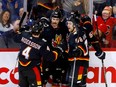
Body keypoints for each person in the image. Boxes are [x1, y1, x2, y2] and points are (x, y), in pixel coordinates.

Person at [12, 20, 61, 87]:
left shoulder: (25, 35)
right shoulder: (42, 43)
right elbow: (51, 58)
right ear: (41, 31)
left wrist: (20, 31)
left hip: (21, 67)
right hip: (33, 68)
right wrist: (58, 50)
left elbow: (15, 39)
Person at [66, 13, 106, 87]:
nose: (68, 25)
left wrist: (78, 51)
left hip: (78, 62)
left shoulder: (79, 33)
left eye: (70, 23)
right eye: (67, 23)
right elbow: (92, 39)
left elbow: (81, 47)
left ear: (75, 25)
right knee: (80, 83)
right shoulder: (78, 32)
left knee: (75, 84)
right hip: (78, 62)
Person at [40, 8, 69, 87]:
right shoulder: (45, 28)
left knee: (57, 80)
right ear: (50, 19)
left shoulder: (63, 29)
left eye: (57, 19)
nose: (55, 21)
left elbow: (66, 42)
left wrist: (62, 49)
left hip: (59, 58)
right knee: (43, 80)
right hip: (47, 58)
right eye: (53, 19)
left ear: (60, 20)